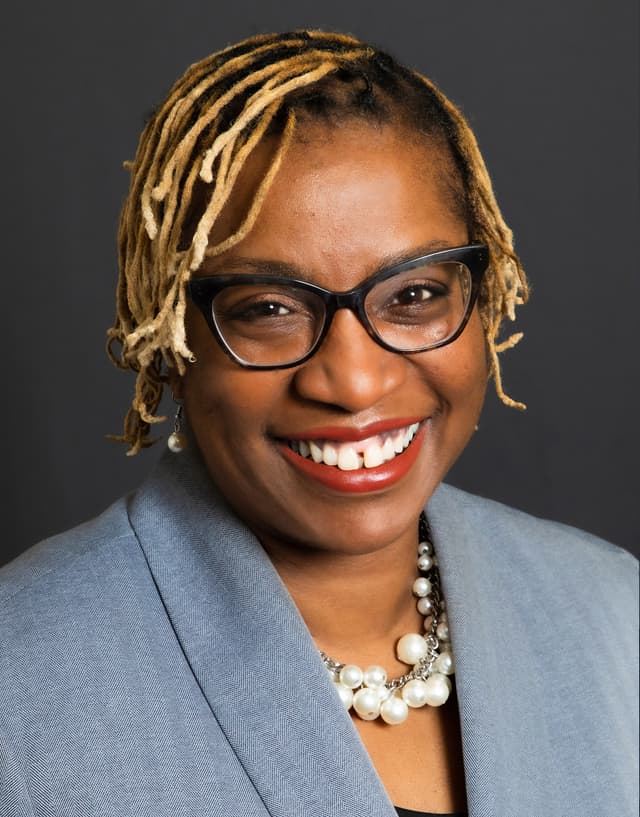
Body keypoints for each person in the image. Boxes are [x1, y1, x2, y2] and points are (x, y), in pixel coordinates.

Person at [0, 30, 637, 817]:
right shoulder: (20, 688)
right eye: (270, 308)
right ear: (168, 337)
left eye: (413, 295)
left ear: (487, 294)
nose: (354, 380)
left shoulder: (612, 610)